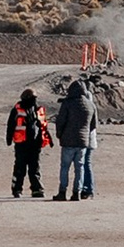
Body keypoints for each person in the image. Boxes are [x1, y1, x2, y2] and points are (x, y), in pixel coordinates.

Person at [55, 67, 96, 202]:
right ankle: (76, 193)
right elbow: (93, 125)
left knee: (65, 167)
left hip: (68, 141)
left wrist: (60, 135)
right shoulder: (90, 105)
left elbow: (60, 121)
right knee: (80, 168)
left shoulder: (67, 103)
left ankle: (62, 192)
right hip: (83, 142)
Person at [7, 84, 52, 198]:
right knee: (20, 168)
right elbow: (11, 124)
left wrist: (49, 138)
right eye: (32, 98)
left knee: (34, 168)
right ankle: (17, 189)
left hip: (35, 144)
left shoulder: (38, 110)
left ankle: (37, 189)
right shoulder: (17, 109)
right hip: (21, 143)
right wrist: (9, 138)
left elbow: (43, 125)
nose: (34, 100)